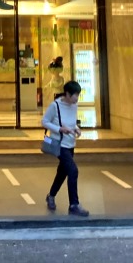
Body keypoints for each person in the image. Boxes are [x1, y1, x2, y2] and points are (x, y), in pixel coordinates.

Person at [42, 80, 89, 217]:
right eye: (75, 95)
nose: (77, 98)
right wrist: (59, 129)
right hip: (59, 144)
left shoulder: (74, 105)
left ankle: (51, 196)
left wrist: (76, 128)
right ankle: (74, 204)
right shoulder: (55, 105)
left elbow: (72, 122)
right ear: (67, 94)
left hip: (70, 144)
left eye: (78, 95)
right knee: (73, 170)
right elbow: (44, 122)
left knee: (62, 172)